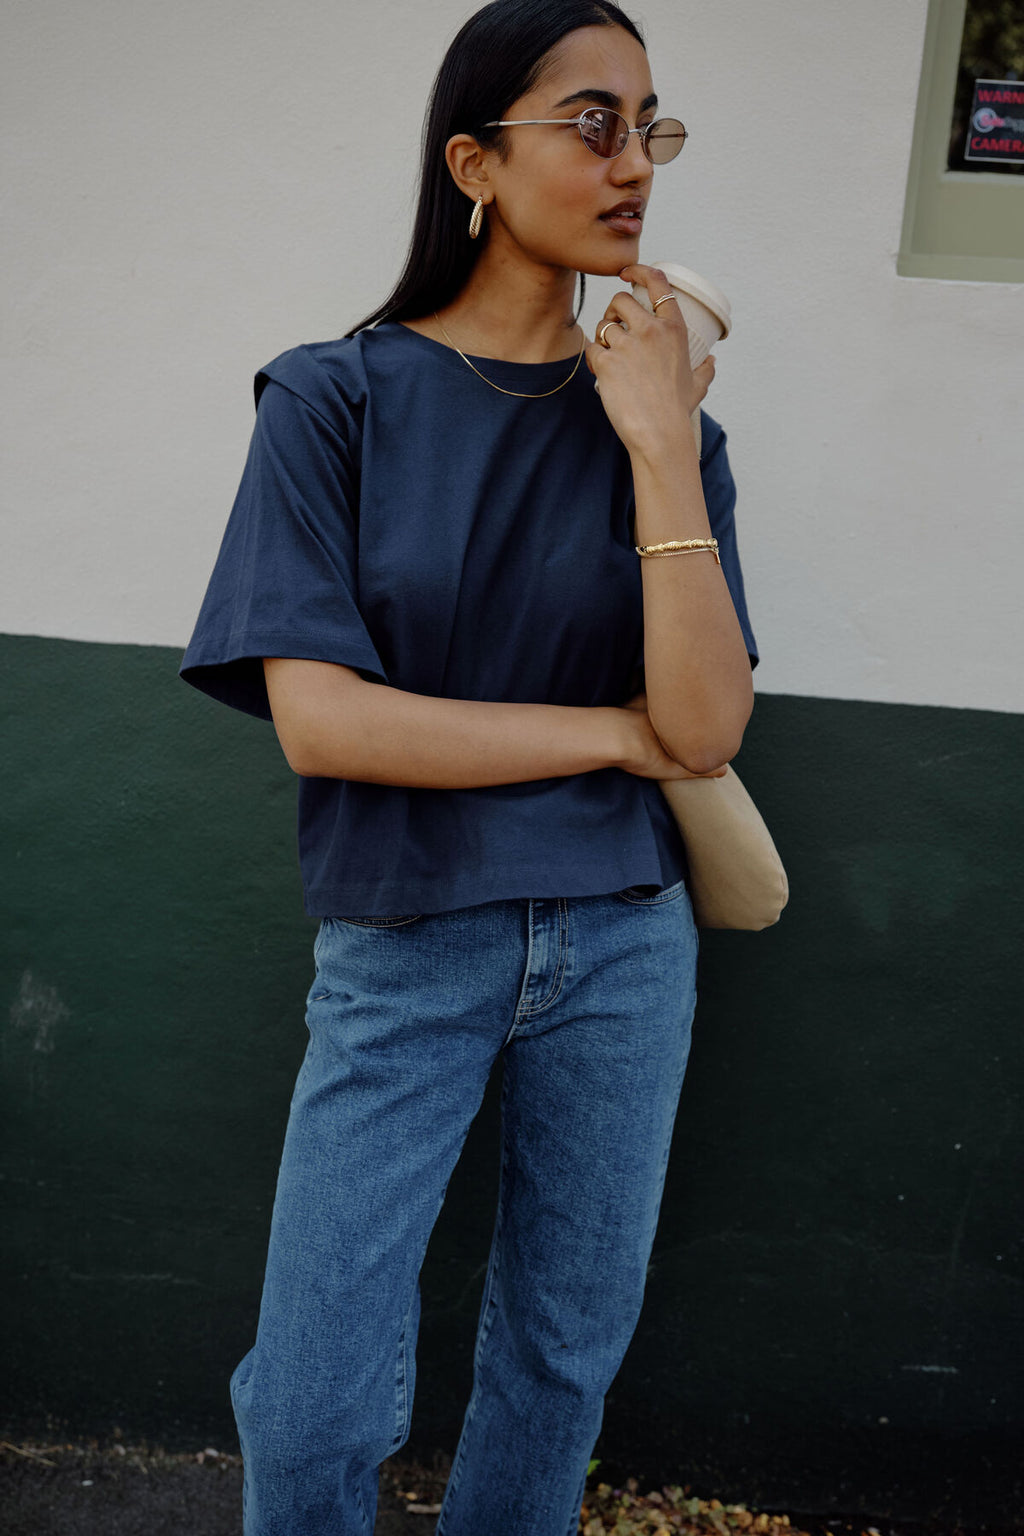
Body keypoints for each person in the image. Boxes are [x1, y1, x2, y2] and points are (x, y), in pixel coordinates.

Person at [181, 0, 758, 1530]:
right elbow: (329, 722)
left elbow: (703, 726)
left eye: (652, 127)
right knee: (311, 1403)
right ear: (473, 165)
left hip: (628, 939)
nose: (634, 161)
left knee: (561, 1367)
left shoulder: (665, 428)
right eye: (592, 122)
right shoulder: (333, 398)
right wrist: (610, 737)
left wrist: (654, 443)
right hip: (407, 934)